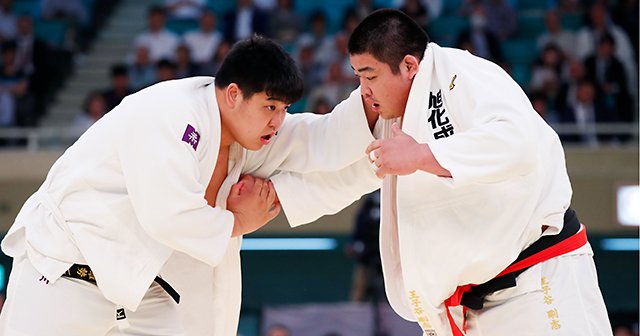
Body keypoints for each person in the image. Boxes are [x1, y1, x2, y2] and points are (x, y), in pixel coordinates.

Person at [0, 36, 377, 335]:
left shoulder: (246, 132)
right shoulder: (171, 113)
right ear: (233, 94)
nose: (278, 121)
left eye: (283, 109)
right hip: (62, 275)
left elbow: (318, 139)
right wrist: (238, 223)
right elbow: (167, 215)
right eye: (270, 107)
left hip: (142, 290)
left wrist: (375, 112)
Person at [271, 9, 612, 336]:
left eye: (370, 76)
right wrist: (278, 196)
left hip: (536, 285)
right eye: (358, 76)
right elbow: (347, 172)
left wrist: (422, 154)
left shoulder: (462, 73)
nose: (364, 89)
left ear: (408, 66)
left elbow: (519, 142)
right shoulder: (391, 115)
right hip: (467, 311)